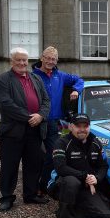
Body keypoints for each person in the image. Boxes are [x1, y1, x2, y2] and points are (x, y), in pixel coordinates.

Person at [0, 47, 51, 212]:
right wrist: (29, 117)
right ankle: (6, 197)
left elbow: (46, 100)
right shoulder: (3, 80)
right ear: (11, 61)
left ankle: (31, 194)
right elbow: (6, 105)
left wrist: (40, 115)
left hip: (34, 130)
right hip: (12, 131)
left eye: (24, 60)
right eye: (18, 60)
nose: (22, 63)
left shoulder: (35, 78)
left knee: (34, 164)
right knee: (9, 165)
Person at [49, 114, 110, 218]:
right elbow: (61, 168)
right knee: (72, 182)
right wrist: (85, 176)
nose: (82, 129)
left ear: (89, 127)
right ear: (71, 127)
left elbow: (103, 166)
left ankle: (66, 210)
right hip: (62, 184)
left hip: (85, 185)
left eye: (85, 126)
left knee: (105, 216)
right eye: (78, 126)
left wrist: (96, 178)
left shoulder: (96, 142)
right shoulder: (61, 142)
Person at [32, 46, 84, 195]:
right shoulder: (33, 76)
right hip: (35, 121)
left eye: (53, 59)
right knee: (34, 156)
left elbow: (79, 80)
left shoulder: (60, 75)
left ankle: (44, 185)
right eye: (47, 58)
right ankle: (31, 187)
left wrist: (76, 90)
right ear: (42, 58)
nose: (50, 61)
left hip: (53, 122)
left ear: (57, 61)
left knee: (52, 154)